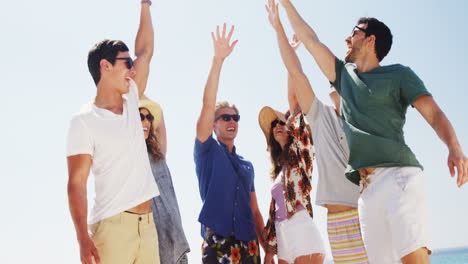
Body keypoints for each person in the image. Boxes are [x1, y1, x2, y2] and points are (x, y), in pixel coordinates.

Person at [277, 0, 468, 263]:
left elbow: (433, 113)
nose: (347, 37)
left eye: (354, 32)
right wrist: (286, 5)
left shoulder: (399, 75)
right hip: (366, 191)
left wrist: (454, 146)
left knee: (414, 258)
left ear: (370, 40)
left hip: (398, 177)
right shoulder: (344, 76)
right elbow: (310, 39)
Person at [265, 1, 368, 263]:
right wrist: (278, 28)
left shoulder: (366, 118)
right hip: (336, 221)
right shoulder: (321, 118)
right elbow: (296, 72)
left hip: (366, 213)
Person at [66, 1, 160, 263]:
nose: (132, 68)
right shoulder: (84, 121)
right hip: (111, 229)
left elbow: (146, 52)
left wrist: (145, 5)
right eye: (125, 62)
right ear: (105, 66)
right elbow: (76, 184)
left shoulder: (131, 97)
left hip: (148, 227)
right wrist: (82, 238)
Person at [194, 23, 267, 264]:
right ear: (214, 124)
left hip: (249, 244)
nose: (231, 121)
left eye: (235, 117)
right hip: (218, 241)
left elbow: (255, 211)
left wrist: (269, 249)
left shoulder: (247, 165)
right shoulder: (206, 151)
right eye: (225, 117)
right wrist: (218, 61)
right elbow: (207, 104)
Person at [139, 98, 191, 264]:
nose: (146, 121)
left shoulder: (157, 154)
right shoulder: (128, 154)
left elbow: (161, 126)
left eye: (149, 117)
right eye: (140, 116)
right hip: (148, 238)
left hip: (173, 236)